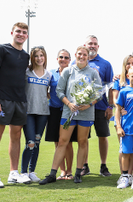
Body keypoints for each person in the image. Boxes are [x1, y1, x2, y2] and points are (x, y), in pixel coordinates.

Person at [39, 46, 102, 185]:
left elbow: (99, 93)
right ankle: (52, 174)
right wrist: (69, 104)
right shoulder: (68, 71)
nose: (82, 56)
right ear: (75, 55)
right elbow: (59, 91)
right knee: (62, 141)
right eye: (79, 54)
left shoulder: (93, 73)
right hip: (68, 112)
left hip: (86, 113)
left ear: (88, 56)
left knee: (82, 141)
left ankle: (78, 172)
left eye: (84, 54)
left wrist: (89, 104)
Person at [0, 22, 32, 188]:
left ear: (27, 36)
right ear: (12, 32)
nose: (21, 34)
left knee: (16, 136)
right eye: (18, 31)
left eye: (24, 32)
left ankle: (14, 173)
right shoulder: (1, 49)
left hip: (20, 100)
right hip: (2, 100)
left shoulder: (26, 56)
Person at [80, 35, 114, 177]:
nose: (92, 46)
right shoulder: (79, 64)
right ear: (85, 46)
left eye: (95, 44)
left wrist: (110, 106)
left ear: (98, 47)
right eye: (90, 43)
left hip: (101, 107)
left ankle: (103, 166)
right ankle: (84, 165)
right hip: (84, 108)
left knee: (102, 136)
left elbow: (111, 87)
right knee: (83, 138)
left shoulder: (105, 64)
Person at [45, 49, 80, 180]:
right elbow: (45, 87)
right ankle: (62, 171)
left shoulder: (73, 73)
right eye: (61, 57)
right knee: (57, 142)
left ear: (70, 60)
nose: (63, 59)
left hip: (68, 110)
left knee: (68, 142)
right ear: (57, 58)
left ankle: (70, 171)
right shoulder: (51, 74)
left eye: (66, 57)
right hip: (54, 110)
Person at [21, 46, 52, 183]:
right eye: (36, 56)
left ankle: (32, 172)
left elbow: (49, 93)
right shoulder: (26, 72)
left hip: (43, 113)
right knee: (30, 143)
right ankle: (23, 172)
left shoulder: (49, 75)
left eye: (42, 55)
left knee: (37, 142)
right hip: (28, 112)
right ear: (32, 58)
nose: (39, 58)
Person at [113, 55, 133, 187]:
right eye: (128, 63)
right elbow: (114, 98)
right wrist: (120, 108)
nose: (130, 65)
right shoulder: (119, 80)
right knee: (123, 149)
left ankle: (130, 174)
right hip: (121, 119)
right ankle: (123, 174)